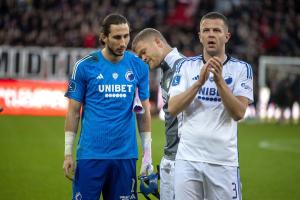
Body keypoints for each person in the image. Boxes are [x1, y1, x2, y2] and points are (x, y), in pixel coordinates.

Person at [62, 13, 153, 200]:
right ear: (103, 37)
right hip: (91, 155)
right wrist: (67, 153)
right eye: (117, 37)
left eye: (126, 36)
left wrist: (148, 155)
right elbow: (73, 112)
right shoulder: (85, 66)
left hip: (125, 156)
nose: (123, 42)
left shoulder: (139, 67)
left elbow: (143, 113)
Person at [168, 12, 254, 200]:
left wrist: (220, 82)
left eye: (216, 30)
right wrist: (198, 83)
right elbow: (172, 108)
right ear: (200, 36)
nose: (211, 34)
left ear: (227, 36)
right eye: (206, 30)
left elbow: (239, 112)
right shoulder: (185, 66)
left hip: (223, 162)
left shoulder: (241, 69)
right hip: (187, 160)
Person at [132, 28, 185, 200]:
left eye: (143, 52)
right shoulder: (167, 69)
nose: (142, 58)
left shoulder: (183, 67)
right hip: (174, 159)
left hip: (182, 160)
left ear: (158, 42)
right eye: (139, 56)